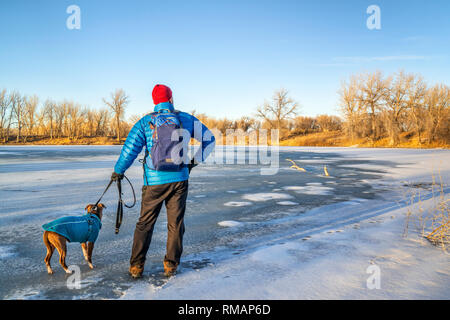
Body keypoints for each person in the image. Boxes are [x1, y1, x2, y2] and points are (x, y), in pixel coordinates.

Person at [111, 84, 215, 278]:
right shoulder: (185, 119)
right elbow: (210, 139)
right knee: (175, 224)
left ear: (154, 101)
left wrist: (118, 171)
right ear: (171, 99)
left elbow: (130, 149)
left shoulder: (145, 122)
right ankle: (171, 265)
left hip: (154, 181)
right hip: (179, 179)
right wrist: (193, 162)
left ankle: (136, 266)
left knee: (145, 223)